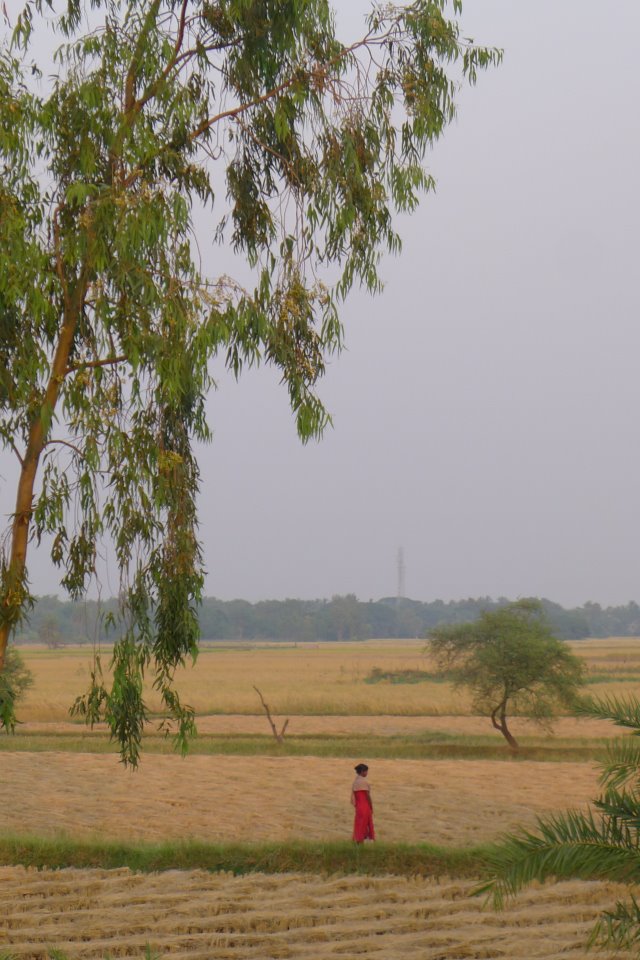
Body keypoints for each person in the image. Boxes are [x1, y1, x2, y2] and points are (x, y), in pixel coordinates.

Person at [351, 762, 375, 842]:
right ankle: (365, 840)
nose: (367, 773)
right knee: (366, 823)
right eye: (366, 771)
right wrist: (371, 806)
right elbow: (367, 796)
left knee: (359, 824)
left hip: (359, 807)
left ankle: (357, 840)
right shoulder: (364, 782)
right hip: (365, 806)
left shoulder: (355, 782)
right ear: (362, 772)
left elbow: (354, 797)